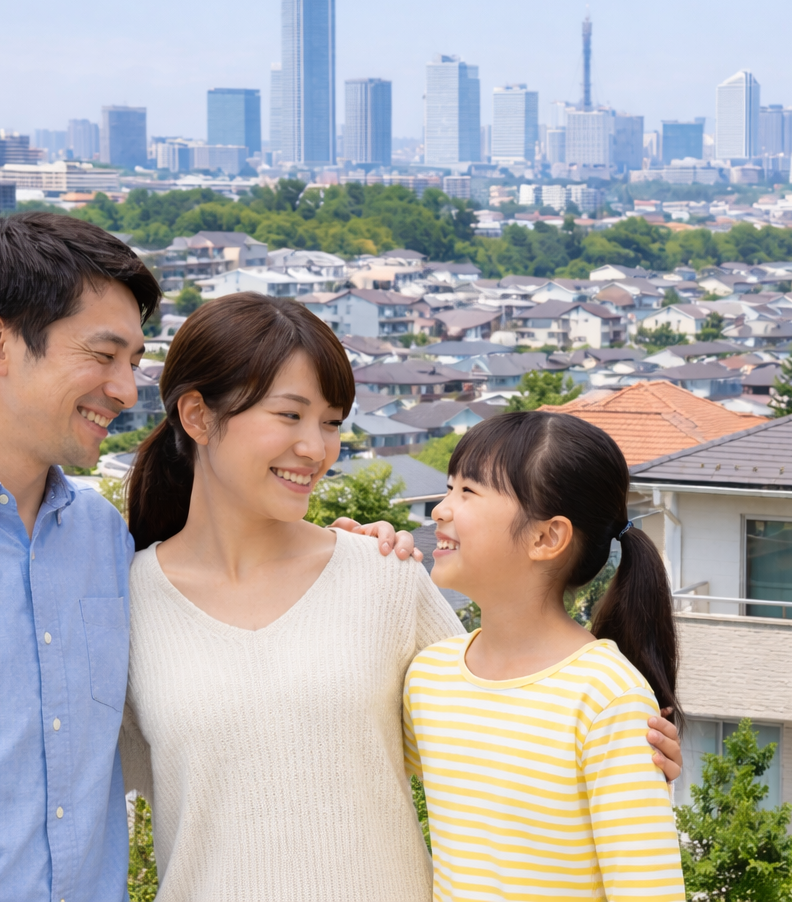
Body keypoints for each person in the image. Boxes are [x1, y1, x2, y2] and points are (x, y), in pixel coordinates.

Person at [0, 212, 418, 900]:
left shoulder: (101, 538)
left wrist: (345, 555)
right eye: (102, 355)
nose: (125, 389)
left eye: (133, 362)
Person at [118, 293, 681, 901]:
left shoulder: (383, 576)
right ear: (197, 416)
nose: (317, 448)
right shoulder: (122, 602)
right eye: (290, 415)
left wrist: (625, 750)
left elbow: (506, 720)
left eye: (331, 422)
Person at [404, 410, 688, 902]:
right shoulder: (429, 676)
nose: (440, 510)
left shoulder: (605, 696)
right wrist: (351, 566)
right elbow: (356, 763)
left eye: (468, 492)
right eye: (449, 488)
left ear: (546, 537)